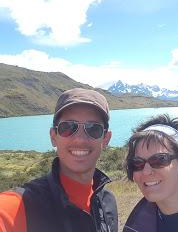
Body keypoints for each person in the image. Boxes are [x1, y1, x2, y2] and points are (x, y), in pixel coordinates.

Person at [0, 88, 118, 232]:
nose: (80, 139)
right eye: (68, 127)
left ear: (106, 139)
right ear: (53, 136)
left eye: (93, 128)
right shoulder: (23, 205)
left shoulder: (108, 203)